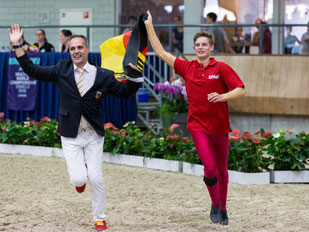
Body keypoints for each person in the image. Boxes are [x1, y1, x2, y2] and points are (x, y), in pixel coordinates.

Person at [8, 24, 143, 231]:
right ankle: (81, 176)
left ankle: (99, 217)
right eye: (72, 48)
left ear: (87, 50)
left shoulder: (103, 75)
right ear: (68, 51)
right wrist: (18, 44)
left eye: (80, 47)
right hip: (70, 134)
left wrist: (134, 77)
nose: (76, 51)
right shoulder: (61, 69)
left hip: (93, 135)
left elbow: (125, 92)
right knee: (79, 178)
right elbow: (32, 70)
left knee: (96, 178)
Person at [144, 10, 245, 226]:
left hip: (220, 126)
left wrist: (223, 96)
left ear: (211, 47)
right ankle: (215, 203)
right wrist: (149, 25)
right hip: (197, 125)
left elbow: (240, 89)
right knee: (209, 168)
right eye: (197, 44)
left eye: (204, 44)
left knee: (222, 170)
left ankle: (224, 209)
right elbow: (161, 52)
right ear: (194, 48)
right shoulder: (186, 68)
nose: (200, 47)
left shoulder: (221, 68)